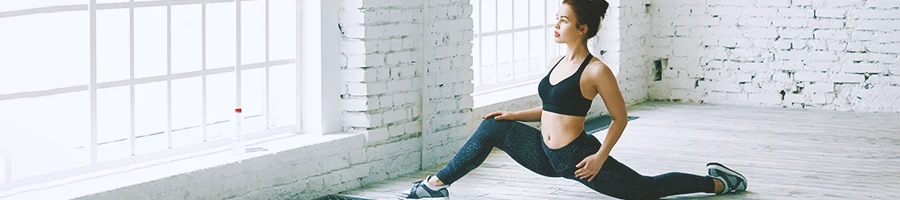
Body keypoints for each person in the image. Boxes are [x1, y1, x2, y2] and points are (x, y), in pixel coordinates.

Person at [399, 0, 747, 199]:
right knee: (492, 126)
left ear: (583, 28)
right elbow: (553, 109)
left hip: (578, 159)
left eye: (564, 21)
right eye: (557, 19)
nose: (556, 26)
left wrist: (598, 157)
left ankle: (718, 182)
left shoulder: (596, 71)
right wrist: (514, 115)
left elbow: (620, 118)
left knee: (645, 190)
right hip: (546, 155)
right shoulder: (558, 62)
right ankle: (434, 187)